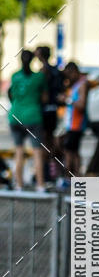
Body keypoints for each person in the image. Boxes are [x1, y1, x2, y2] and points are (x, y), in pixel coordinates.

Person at [8, 49, 47, 191]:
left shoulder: (14, 76)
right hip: (33, 116)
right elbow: (44, 98)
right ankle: (40, 185)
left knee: (19, 152)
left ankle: (19, 185)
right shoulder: (39, 77)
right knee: (37, 152)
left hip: (15, 116)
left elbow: (12, 95)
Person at [35, 45, 62, 181]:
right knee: (50, 141)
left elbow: (42, 93)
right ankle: (53, 170)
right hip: (53, 110)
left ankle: (46, 172)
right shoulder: (56, 70)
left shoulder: (43, 71)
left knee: (44, 142)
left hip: (45, 111)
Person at [61, 62, 89, 178]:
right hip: (71, 124)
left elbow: (82, 105)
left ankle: (71, 177)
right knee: (74, 152)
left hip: (76, 124)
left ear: (74, 72)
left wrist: (67, 99)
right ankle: (77, 177)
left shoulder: (82, 85)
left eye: (69, 75)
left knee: (69, 152)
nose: (68, 78)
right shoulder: (75, 84)